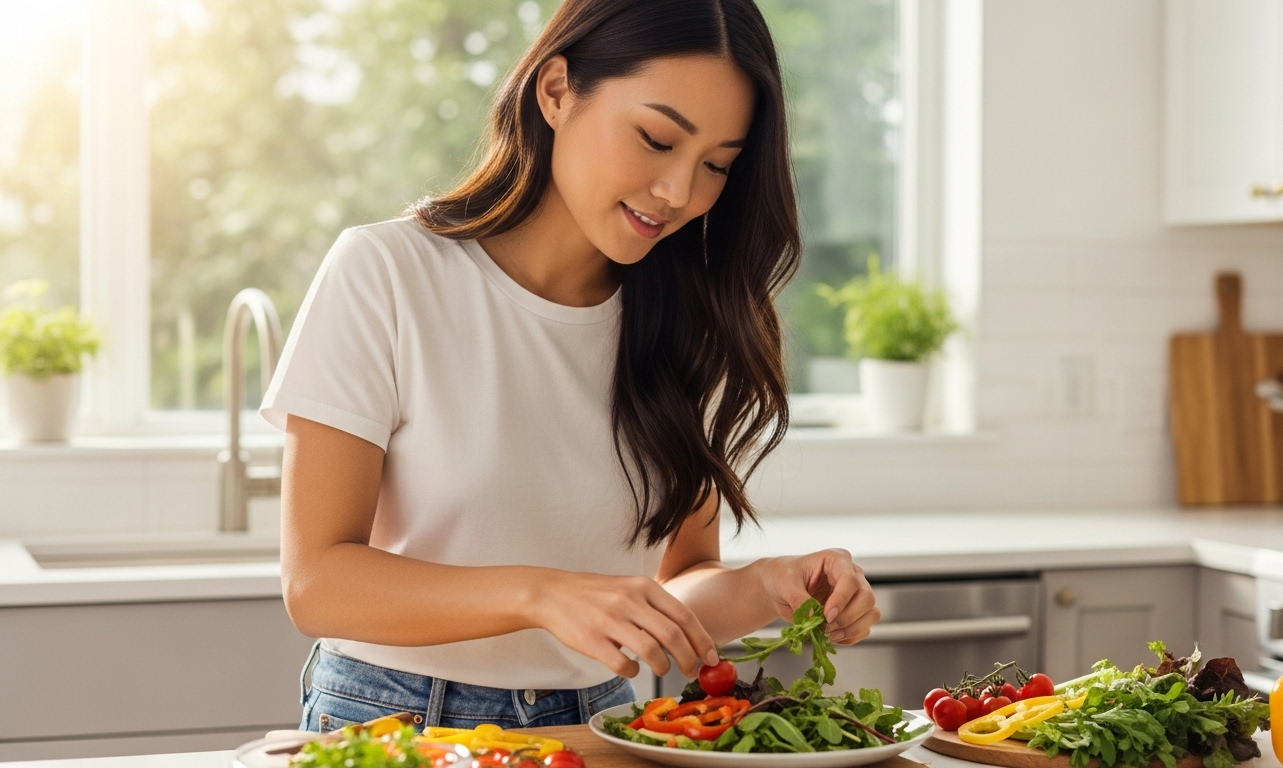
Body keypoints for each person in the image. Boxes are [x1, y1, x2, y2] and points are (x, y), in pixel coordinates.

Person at [262, 0, 880, 733]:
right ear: (556, 91)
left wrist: (766, 585)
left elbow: (674, 585)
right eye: (656, 139)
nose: (680, 192)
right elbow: (318, 583)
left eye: (716, 164)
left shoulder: (688, 321)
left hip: (599, 722)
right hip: (395, 719)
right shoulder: (389, 274)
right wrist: (541, 595)